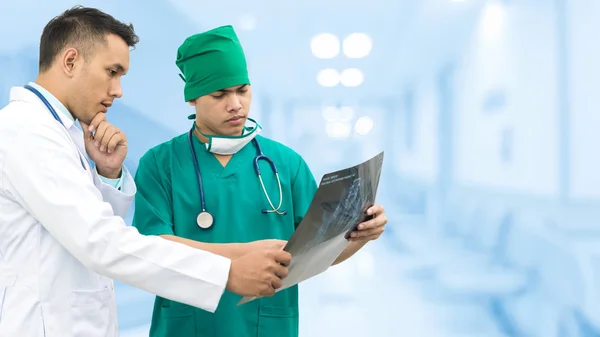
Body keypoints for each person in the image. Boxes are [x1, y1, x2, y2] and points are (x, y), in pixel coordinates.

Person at [0, 7, 293, 337]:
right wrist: (225, 274)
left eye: (242, 91)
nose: (118, 90)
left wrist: (109, 174)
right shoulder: (28, 131)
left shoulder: (63, 133)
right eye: (112, 72)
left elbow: (84, 229)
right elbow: (100, 242)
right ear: (70, 61)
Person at [132, 25, 389, 337]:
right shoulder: (160, 164)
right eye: (219, 94)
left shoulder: (286, 164)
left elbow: (319, 252)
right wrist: (244, 256)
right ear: (192, 99)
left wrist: (361, 235)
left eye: (242, 90)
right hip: (189, 326)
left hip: (266, 325)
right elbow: (151, 248)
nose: (235, 104)